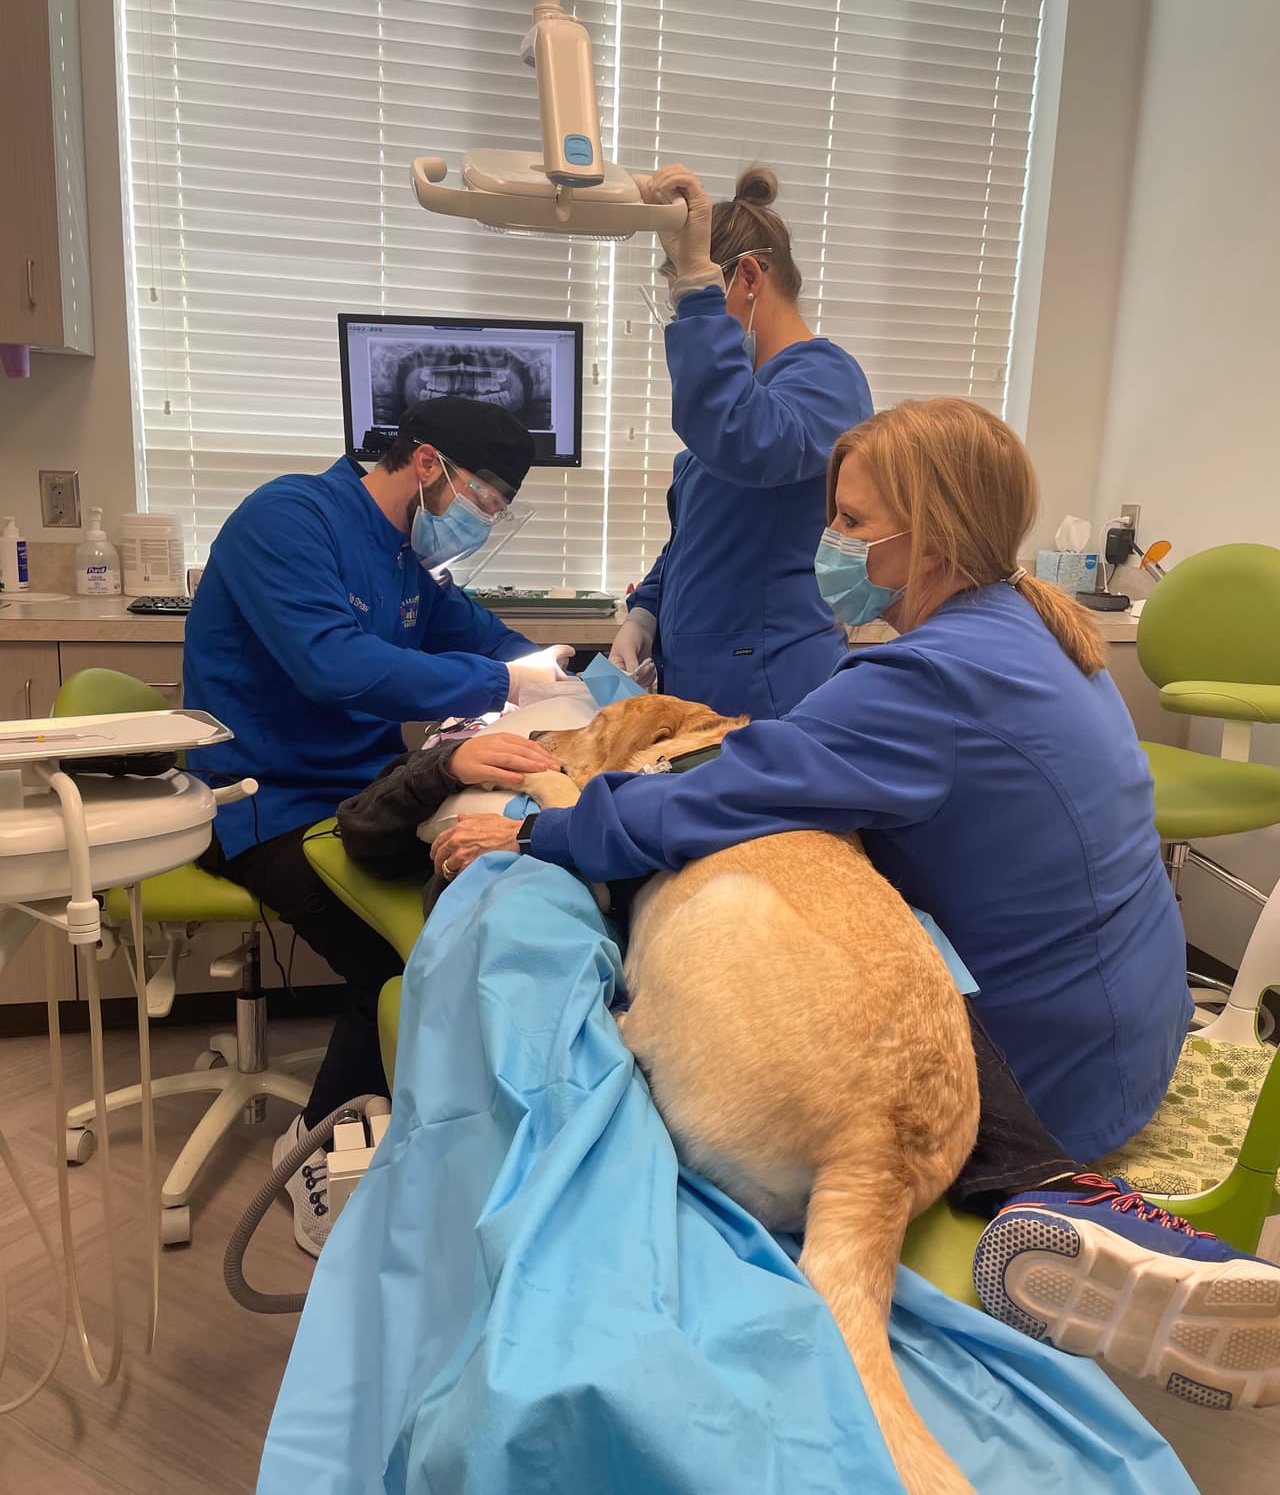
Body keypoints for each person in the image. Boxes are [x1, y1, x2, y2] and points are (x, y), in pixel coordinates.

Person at [432, 397, 1280, 1406]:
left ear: (924, 533)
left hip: (1046, 1078)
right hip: (1135, 1028)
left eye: (849, 521)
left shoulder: (926, 676)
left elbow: (722, 795)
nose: (828, 542)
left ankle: (1054, 1197)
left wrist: (542, 829)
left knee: (814, 935)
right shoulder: (1033, 630)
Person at [183, 396, 565, 1254]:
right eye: (485, 501)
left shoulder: (409, 561)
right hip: (262, 800)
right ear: (426, 464)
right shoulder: (286, 519)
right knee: (395, 952)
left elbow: (486, 639)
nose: (481, 521)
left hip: (362, 791)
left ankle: (436, 1130)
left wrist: (570, 674)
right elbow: (334, 666)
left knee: (470, 911)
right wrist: (500, 688)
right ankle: (315, 1143)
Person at [609, 165, 872, 718]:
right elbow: (698, 539)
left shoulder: (827, 379)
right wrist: (645, 614)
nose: (686, 321)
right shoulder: (748, 393)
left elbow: (743, 440)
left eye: (696, 299)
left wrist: (697, 293)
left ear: (748, 277)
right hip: (710, 678)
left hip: (770, 683)